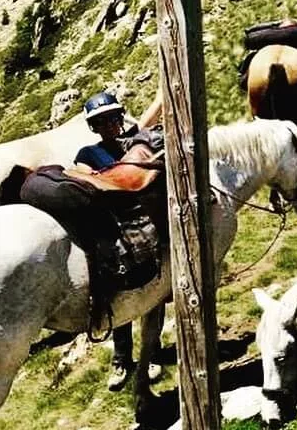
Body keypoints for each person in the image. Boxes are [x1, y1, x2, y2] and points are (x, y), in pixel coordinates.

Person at [74, 90, 164, 391]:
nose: (110, 125)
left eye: (113, 118)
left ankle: (152, 354)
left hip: (147, 225)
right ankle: (122, 358)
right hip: (115, 230)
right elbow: (83, 177)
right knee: (121, 294)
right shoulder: (88, 154)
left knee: (155, 292)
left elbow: (158, 107)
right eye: (102, 121)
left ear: (120, 118)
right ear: (94, 127)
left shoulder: (137, 141)